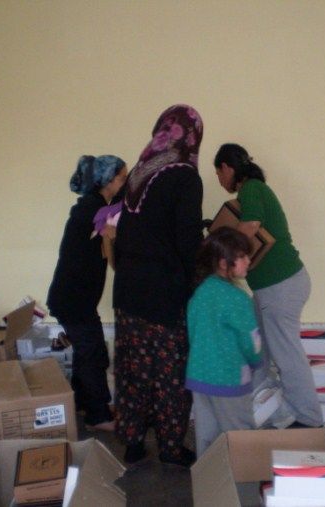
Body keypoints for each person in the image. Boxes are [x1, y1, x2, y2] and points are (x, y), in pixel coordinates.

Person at [113, 104, 204, 467]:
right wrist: (199, 281)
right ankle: (170, 447)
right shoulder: (185, 176)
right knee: (169, 374)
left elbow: (124, 234)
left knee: (133, 370)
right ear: (192, 135)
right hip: (164, 294)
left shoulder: (139, 171)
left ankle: (133, 442)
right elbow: (187, 241)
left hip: (127, 291)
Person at [213, 143, 323, 429]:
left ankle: (309, 419)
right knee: (256, 348)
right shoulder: (253, 191)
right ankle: (270, 406)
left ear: (227, 167)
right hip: (272, 288)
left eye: (219, 174)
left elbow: (249, 226)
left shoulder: (251, 188)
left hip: (280, 286)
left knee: (287, 354)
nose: (220, 180)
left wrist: (222, 258)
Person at [47, 154, 128, 431]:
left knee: (87, 353)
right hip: (74, 299)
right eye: (122, 178)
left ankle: (82, 404)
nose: (125, 184)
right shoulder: (92, 209)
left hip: (76, 298)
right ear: (107, 181)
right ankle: (98, 416)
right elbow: (111, 225)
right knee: (93, 353)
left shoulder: (94, 207)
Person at [186, 226, 262, 456]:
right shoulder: (238, 299)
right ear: (222, 263)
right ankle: (243, 476)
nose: (248, 261)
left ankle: (209, 476)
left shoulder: (200, 293)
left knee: (206, 436)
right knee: (240, 435)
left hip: (199, 375)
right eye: (242, 256)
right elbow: (250, 341)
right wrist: (256, 361)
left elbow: (193, 332)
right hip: (229, 377)